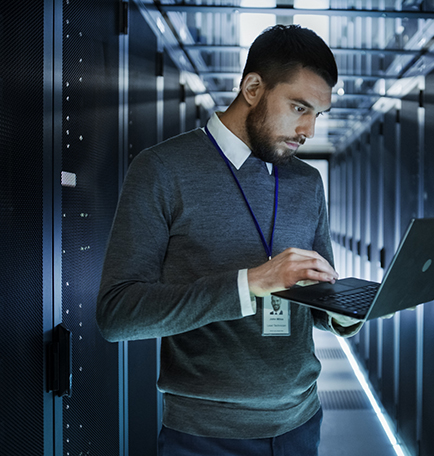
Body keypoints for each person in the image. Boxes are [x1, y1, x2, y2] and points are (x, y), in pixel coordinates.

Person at [96, 24, 363, 456]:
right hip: (205, 436)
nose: (309, 130)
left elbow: (315, 298)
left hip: (302, 422)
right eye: (299, 107)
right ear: (253, 88)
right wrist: (250, 283)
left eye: (318, 114)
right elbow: (117, 314)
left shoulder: (307, 182)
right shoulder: (162, 170)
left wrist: (348, 312)